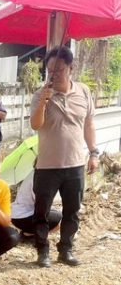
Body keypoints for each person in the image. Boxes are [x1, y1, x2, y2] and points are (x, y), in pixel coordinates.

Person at [30, 46, 98, 268]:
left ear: (71, 68)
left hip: (75, 164)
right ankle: (42, 251)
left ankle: (66, 249)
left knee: (72, 211)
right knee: (41, 212)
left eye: (59, 69)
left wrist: (93, 152)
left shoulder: (84, 91)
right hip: (47, 165)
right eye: (50, 70)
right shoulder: (40, 94)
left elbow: (89, 124)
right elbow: (35, 125)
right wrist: (43, 102)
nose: (54, 74)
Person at [11, 169, 62, 238]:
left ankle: (29, 233)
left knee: (55, 213)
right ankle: (38, 235)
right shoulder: (40, 178)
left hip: (17, 215)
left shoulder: (35, 173)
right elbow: (42, 203)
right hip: (23, 217)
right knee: (62, 219)